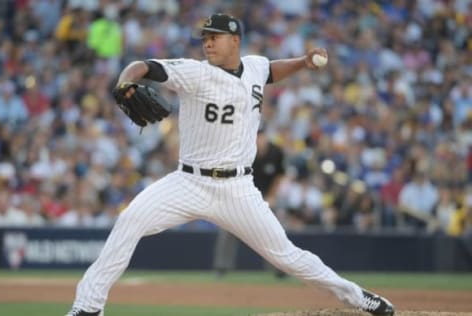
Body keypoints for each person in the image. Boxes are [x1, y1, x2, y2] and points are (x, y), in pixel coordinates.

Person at [66, 13, 394, 316]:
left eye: (215, 36)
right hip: (187, 183)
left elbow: (271, 70)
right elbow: (144, 66)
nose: (207, 42)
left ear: (235, 40)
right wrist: (125, 83)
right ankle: (89, 307)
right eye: (205, 37)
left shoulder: (254, 67)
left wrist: (304, 62)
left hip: (237, 190)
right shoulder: (195, 72)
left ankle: (357, 297)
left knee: (288, 256)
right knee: (130, 221)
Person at [212, 125, 287, 278]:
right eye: (256, 136)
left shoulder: (275, 152)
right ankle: (221, 267)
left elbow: (279, 176)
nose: (259, 139)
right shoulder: (243, 152)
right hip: (242, 196)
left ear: (266, 136)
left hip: (266, 197)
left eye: (261, 136)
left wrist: (272, 197)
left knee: (274, 231)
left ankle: (280, 269)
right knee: (228, 229)